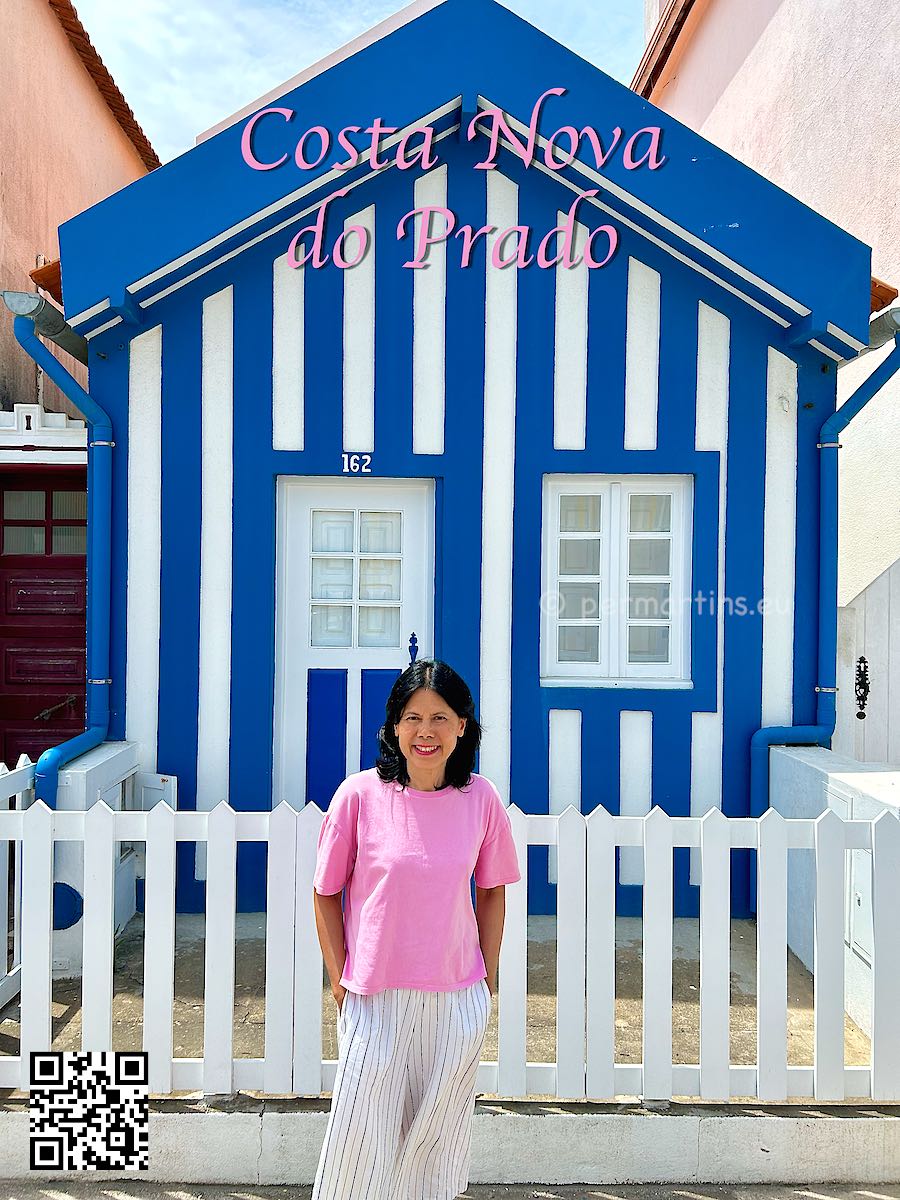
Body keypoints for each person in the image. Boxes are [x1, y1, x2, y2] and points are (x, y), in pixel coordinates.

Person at [310, 657, 521, 1200]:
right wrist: (340, 979)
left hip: (455, 997)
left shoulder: (482, 800)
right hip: (373, 995)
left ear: (462, 726)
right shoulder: (358, 797)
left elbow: (492, 890)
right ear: (394, 726)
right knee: (360, 1139)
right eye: (412, 717)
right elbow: (326, 892)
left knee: (438, 1141)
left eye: (440, 717)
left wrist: (486, 978)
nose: (425, 731)